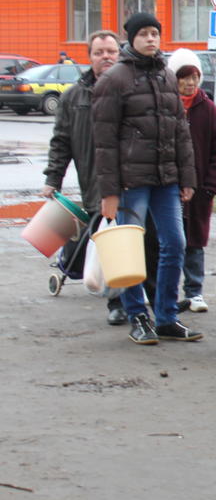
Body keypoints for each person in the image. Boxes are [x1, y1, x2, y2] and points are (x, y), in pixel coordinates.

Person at [92, 12, 199, 345]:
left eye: (156, 33)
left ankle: (166, 316)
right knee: (129, 250)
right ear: (131, 38)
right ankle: (138, 314)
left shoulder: (167, 76)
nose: (152, 39)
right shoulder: (114, 80)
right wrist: (109, 191)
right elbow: (104, 142)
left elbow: (182, 132)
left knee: (175, 243)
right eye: (145, 34)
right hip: (130, 181)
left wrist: (187, 177)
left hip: (166, 179)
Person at [41, 30, 126, 326]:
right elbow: (61, 141)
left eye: (111, 51)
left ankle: (136, 299)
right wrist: (53, 178)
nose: (106, 57)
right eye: (99, 52)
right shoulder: (73, 97)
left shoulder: (131, 88)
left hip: (131, 179)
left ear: (119, 53)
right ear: (89, 57)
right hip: (94, 182)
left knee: (137, 240)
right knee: (107, 242)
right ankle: (117, 301)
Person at [167, 49, 216, 315]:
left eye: (194, 77)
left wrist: (210, 186)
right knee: (171, 242)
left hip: (199, 191)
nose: (190, 83)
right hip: (169, 188)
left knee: (195, 242)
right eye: (184, 77)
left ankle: (195, 291)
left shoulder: (209, 109)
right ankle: (169, 292)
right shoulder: (166, 106)